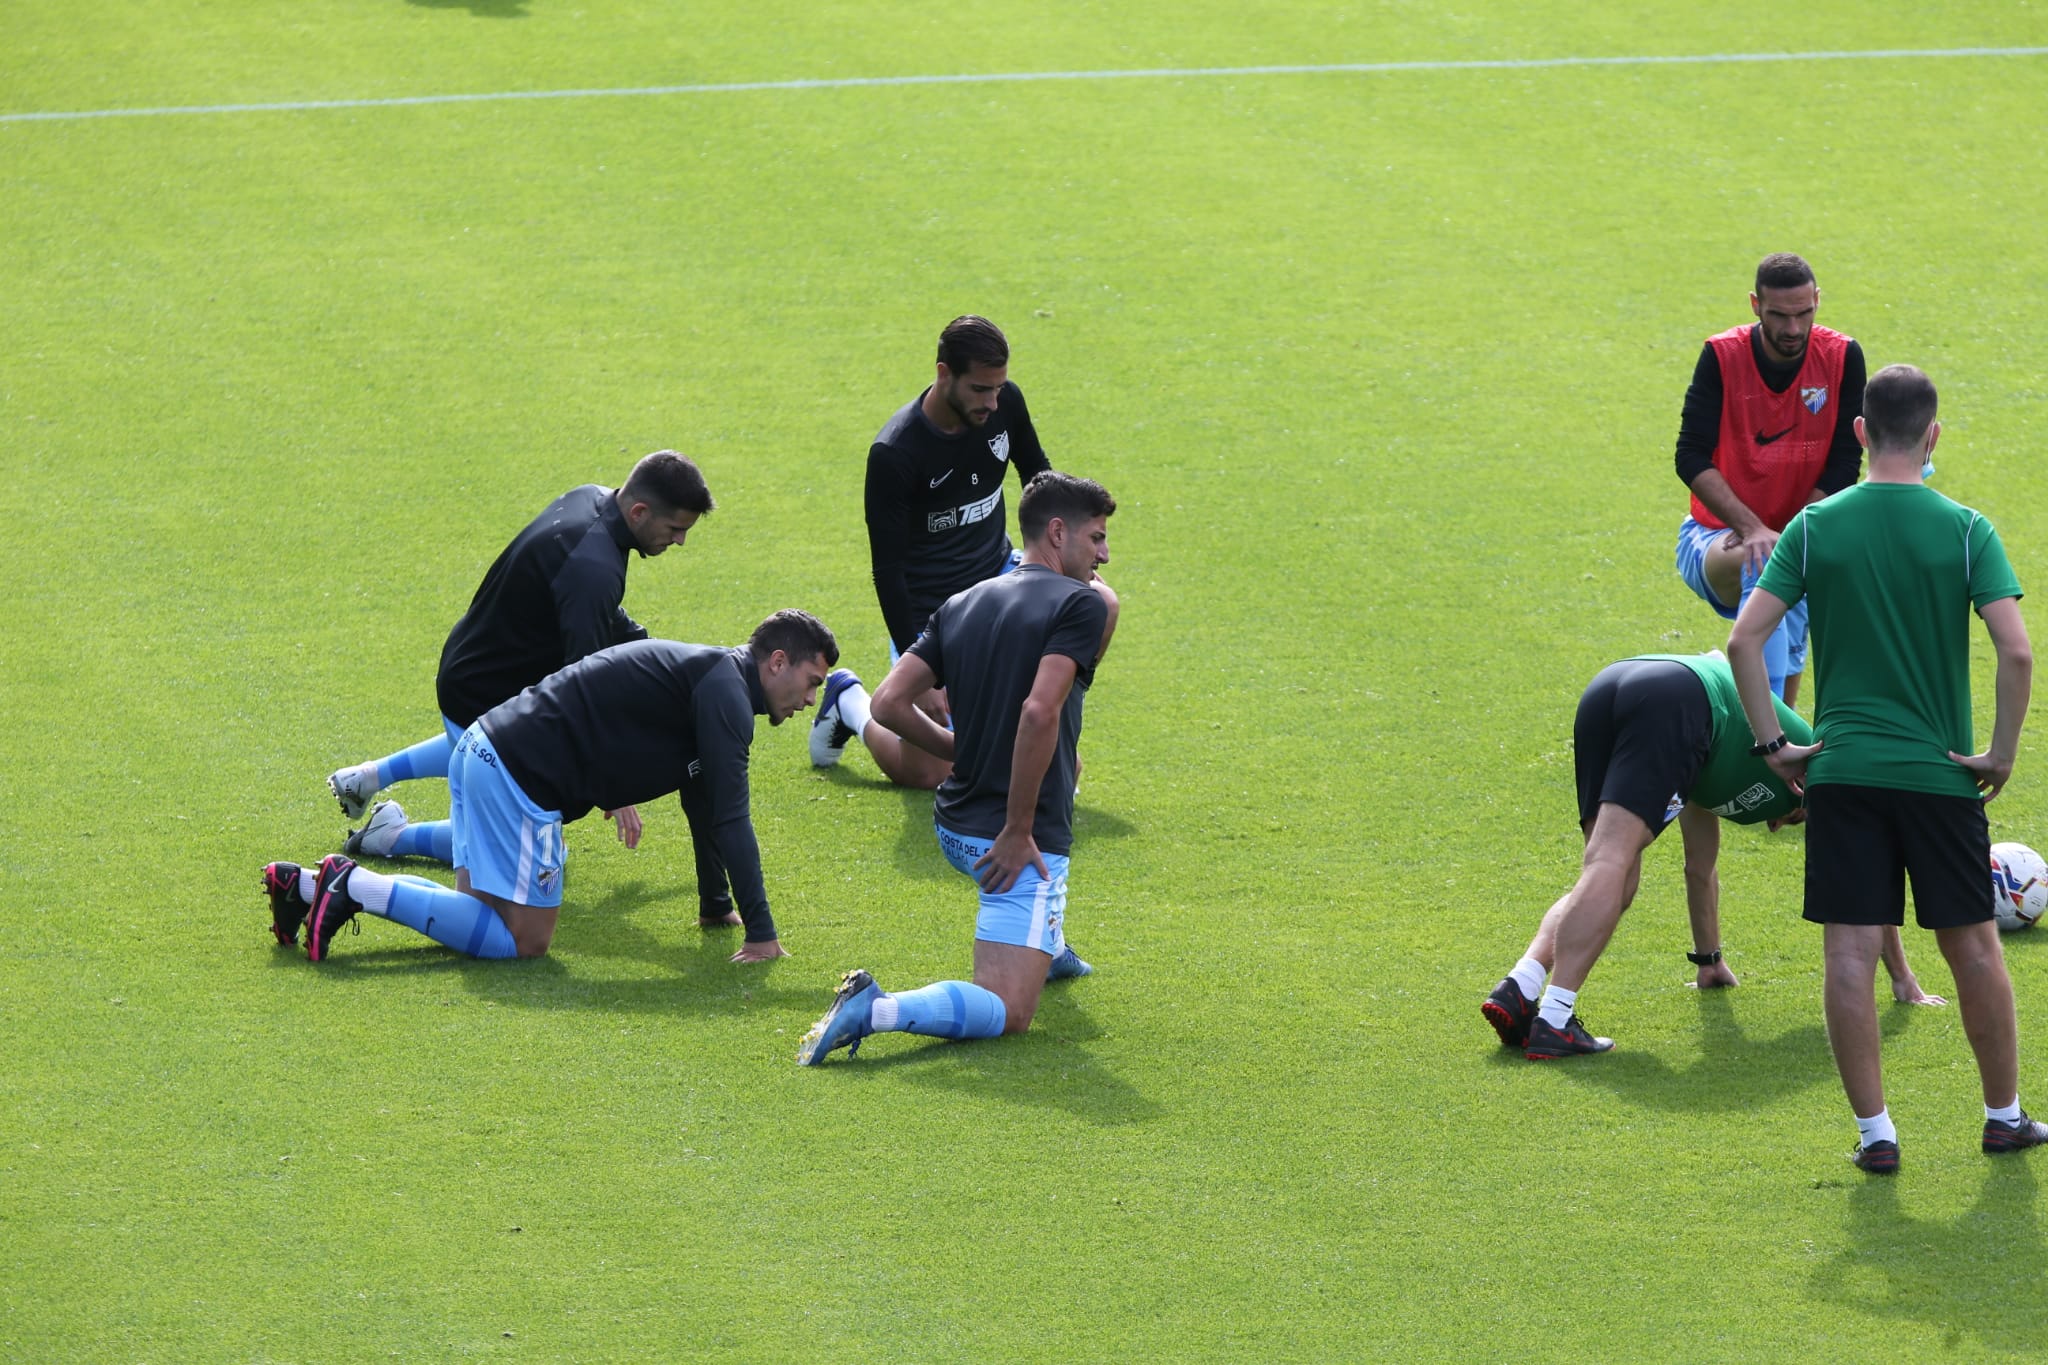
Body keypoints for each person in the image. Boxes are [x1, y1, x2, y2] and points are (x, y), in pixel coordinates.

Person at [1729, 362, 2042, 1173]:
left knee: (1849, 954)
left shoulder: (1814, 526)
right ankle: (2003, 1117)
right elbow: (2016, 649)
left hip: (1841, 772)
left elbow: (1744, 640)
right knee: (1973, 950)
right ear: (1932, 435)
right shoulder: (1967, 528)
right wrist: (2000, 753)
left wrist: (1774, 745)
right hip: (1941, 776)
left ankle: (1877, 1135)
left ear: (1860, 433)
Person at [263, 610, 837, 965]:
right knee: (524, 943)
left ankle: (311, 888)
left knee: (477, 915)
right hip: (518, 780)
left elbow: (704, 801)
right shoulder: (727, 697)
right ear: (777, 662)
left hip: (482, 751)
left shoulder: (716, 682)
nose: (810, 700)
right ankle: (353, 884)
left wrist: (717, 906)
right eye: (810, 683)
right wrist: (762, 934)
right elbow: (732, 819)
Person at [796, 472, 1117, 1064]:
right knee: (1010, 1011)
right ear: (1056, 532)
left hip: (952, 828)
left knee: (1068, 764)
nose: (1104, 553)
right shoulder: (1082, 605)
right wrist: (1019, 830)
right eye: (1096, 538)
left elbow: (890, 701)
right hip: (1009, 847)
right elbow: (1040, 712)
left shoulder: (963, 602)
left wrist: (954, 751)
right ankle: (878, 1008)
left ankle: (1050, 942)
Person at [1482, 652, 1940, 1062]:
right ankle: (1555, 1019)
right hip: (1679, 698)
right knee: (1609, 865)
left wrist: (1709, 961)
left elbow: (1699, 868)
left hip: (1620, 683)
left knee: (1609, 874)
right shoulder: (1821, 771)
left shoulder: (1714, 765)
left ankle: (1519, 987)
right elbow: (1861, 876)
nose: (1785, 824)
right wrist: (1902, 979)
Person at [325, 450, 714, 861]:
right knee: (528, 852)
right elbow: (584, 689)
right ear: (639, 512)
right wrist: (612, 784)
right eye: (675, 528)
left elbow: (589, 608)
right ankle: (390, 837)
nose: (680, 540)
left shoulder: (590, 499)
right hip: (485, 695)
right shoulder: (594, 569)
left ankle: (366, 778)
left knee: (475, 753)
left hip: (474, 668)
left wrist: (648, 647)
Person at [809, 316, 1118, 787]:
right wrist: (928, 675)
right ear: (943, 374)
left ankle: (1046, 735)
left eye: (998, 388)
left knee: (1101, 603)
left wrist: (1072, 551)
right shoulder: (895, 454)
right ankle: (849, 704)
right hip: (937, 614)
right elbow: (888, 571)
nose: (992, 403)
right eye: (980, 390)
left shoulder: (1004, 404)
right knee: (934, 772)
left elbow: (1039, 477)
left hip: (1003, 579)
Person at [1672, 253, 1867, 706]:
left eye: (1805, 313)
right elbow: (1689, 454)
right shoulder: (1722, 356)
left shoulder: (1841, 357)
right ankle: (1765, 742)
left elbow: (1844, 460)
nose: (1794, 329)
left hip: (1801, 536)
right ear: (1755, 305)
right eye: (1779, 315)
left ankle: (1775, 744)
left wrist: (1793, 532)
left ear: (1817, 301)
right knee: (1766, 563)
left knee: (1789, 568)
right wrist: (1753, 528)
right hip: (1716, 538)